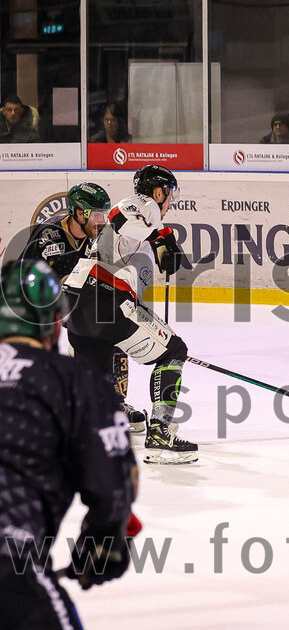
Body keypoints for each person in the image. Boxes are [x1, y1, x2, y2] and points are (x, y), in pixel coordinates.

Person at [0, 259, 137, 629]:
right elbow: (114, 489)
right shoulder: (72, 380)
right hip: (10, 567)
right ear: (54, 323)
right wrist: (103, 543)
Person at [63, 165, 197, 465]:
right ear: (159, 191)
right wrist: (161, 234)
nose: (170, 202)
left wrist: (158, 241)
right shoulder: (144, 204)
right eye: (169, 194)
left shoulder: (143, 224)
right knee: (174, 351)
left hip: (76, 304)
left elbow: (125, 239)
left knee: (97, 379)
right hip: (101, 299)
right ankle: (160, 435)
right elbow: (119, 216)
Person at [20, 182, 148, 434]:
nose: (102, 221)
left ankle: (114, 402)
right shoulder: (49, 237)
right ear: (79, 213)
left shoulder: (100, 234)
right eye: (97, 215)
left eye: (104, 214)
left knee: (112, 329)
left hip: (76, 302)